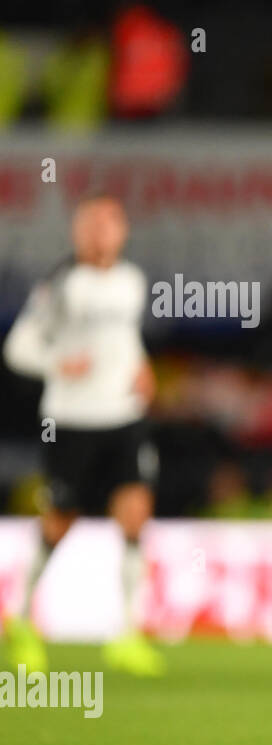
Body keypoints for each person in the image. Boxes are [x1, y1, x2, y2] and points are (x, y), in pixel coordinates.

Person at [2, 194, 165, 676]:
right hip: (72, 421)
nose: (99, 232)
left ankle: (128, 633)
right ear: (76, 232)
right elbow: (18, 347)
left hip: (124, 416)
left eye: (109, 223)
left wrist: (142, 367)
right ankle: (24, 620)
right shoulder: (62, 285)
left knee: (135, 514)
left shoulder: (132, 282)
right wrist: (57, 363)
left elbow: (124, 338)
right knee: (59, 522)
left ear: (123, 231)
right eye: (90, 223)